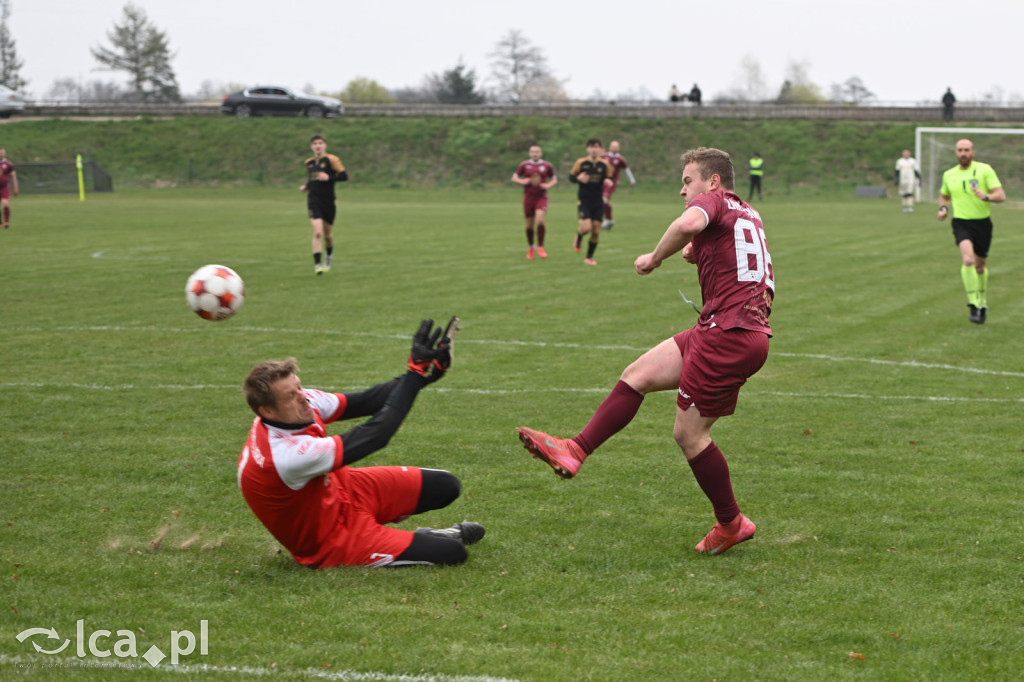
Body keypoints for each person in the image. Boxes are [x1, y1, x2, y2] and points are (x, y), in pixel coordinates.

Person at [517, 147, 775, 557]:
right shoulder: (748, 212)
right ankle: (574, 449)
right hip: (731, 328)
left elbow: (688, 222)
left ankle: (731, 523)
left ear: (712, 182)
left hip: (727, 334)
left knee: (690, 435)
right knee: (637, 374)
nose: (682, 190)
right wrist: (699, 249)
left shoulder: (713, 201)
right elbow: (731, 254)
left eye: (687, 181)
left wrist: (654, 259)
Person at [238, 317, 486, 568]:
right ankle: (426, 538)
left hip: (344, 489)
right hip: (332, 539)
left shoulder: (298, 407)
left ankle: (414, 540)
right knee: (453, 553)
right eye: (290, 396)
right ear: (267, 411)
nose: (303, 397)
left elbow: (367, 401)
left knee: (445, 485)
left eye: (299, 387)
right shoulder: (285, 456)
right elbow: (376, 435)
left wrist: (424, 375)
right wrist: (414, 375)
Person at [937, 138, 1005, 324]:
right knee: (968, 260)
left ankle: (982, 303)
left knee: (980, 267)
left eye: (966, 150)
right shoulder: (949, 174)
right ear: (956, 153)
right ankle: (973, 304)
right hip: (961, 223)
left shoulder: (985, 170)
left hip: (982, 224)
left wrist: (987, 197)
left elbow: (1001, 195)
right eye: (960, 150)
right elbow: (944, 196)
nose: (963, 153)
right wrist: (943, 209)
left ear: (973, 152)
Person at [300, 134, 348, 275]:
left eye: (320, 143)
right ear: (311, 146)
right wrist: (306, 186)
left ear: (325, 145)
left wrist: (329, 177)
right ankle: (318, 265)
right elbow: (312, 179)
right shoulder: (309, 162)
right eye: (315, 143)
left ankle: (329, 256)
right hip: (313, 201)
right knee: (317, 233)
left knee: (327, 235)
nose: (318, 146)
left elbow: (344, 176)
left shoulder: (332, 160)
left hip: (328, 201)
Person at [569, 138, 615, 265]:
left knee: (595, 231)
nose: (594, 149)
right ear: (587, 149)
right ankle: (579, 235)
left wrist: (609, 181)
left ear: (600, 149)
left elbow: (610, 178)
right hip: (584, 200)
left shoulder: (605, 164)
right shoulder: (581, 162)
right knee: (586, 229)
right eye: (591, 147)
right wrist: (578, 179)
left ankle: (589, 257)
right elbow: (571, 177)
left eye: (596, 147)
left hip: (598, 201)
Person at [511, 145, 557, 259]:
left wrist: (548, 185)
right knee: (529, 226)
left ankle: (541, 247)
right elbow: (514, 177)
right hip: (528, 197)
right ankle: (531, 247)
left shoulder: (547, 165)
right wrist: (522, 181)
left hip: (541, 197)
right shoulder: (524, 165)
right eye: (532, 152)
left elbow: (554, 179)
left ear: (541, 153)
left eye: (537, 152)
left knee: (540, 220)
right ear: (529, 153)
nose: (534, 154)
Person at [600, 140, 637, 230]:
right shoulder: (604, 156)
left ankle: (607, 219)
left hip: (612, 183)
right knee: (603, 201)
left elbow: (626, 169)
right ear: (610, 147)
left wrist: (632, 180)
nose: (614, 148)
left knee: (604, 199)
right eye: (613, 146)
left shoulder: (620, 159)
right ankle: (608, 219)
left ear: (619, 148)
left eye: (616, 147)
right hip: (602, 182)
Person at [894, 149, 921, 213]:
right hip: (902, 180)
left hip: (910, 179)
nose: (906, 154)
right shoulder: (899, 161)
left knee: (910, 193)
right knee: (904, 194)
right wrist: (896, 179)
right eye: (905, 153)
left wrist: (919, 178)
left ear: (909, 154)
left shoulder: (913, 161)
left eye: (907, 153)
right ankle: (904, 207)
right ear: (903, 154)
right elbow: (897, 171)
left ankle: (910, 207)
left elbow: (916, 171)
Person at [0, 147, 18, 229]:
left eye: (2, 153)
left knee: (5, 203)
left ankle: (6, 222)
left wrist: (15, 188)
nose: (1, 154)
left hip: (5, 187)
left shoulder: (8, 164)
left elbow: (13, 175)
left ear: (4, 154)